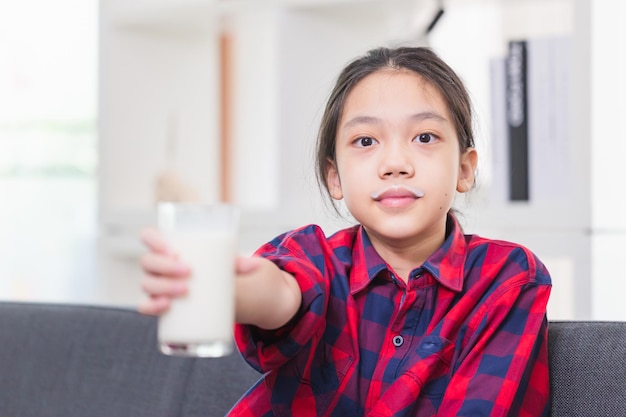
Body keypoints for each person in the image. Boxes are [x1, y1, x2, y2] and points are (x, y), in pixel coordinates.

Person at [139, 46, 552, 417]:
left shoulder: (508, 279)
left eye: (424, 137)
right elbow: (282, 293)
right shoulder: (314, 257)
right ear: (334, 177)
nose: (395, 163)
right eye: (366, 140)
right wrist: (230, 288)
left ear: (464, 169)